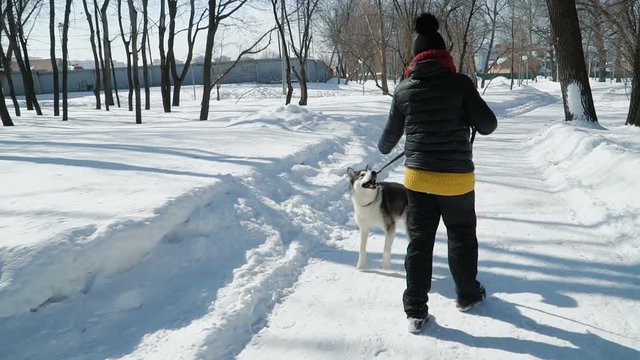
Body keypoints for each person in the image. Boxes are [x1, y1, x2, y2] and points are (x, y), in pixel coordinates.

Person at [378, 13, 497, 333]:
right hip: (457, 180)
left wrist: (400, 137)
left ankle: (415, 310)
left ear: (415, 58)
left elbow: (387, 143)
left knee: (419, 242)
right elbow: (488, 125)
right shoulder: (460, 84)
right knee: (461, 236)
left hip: (417, 179)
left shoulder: (403, 89)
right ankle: (468, 295)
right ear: (445, 55)